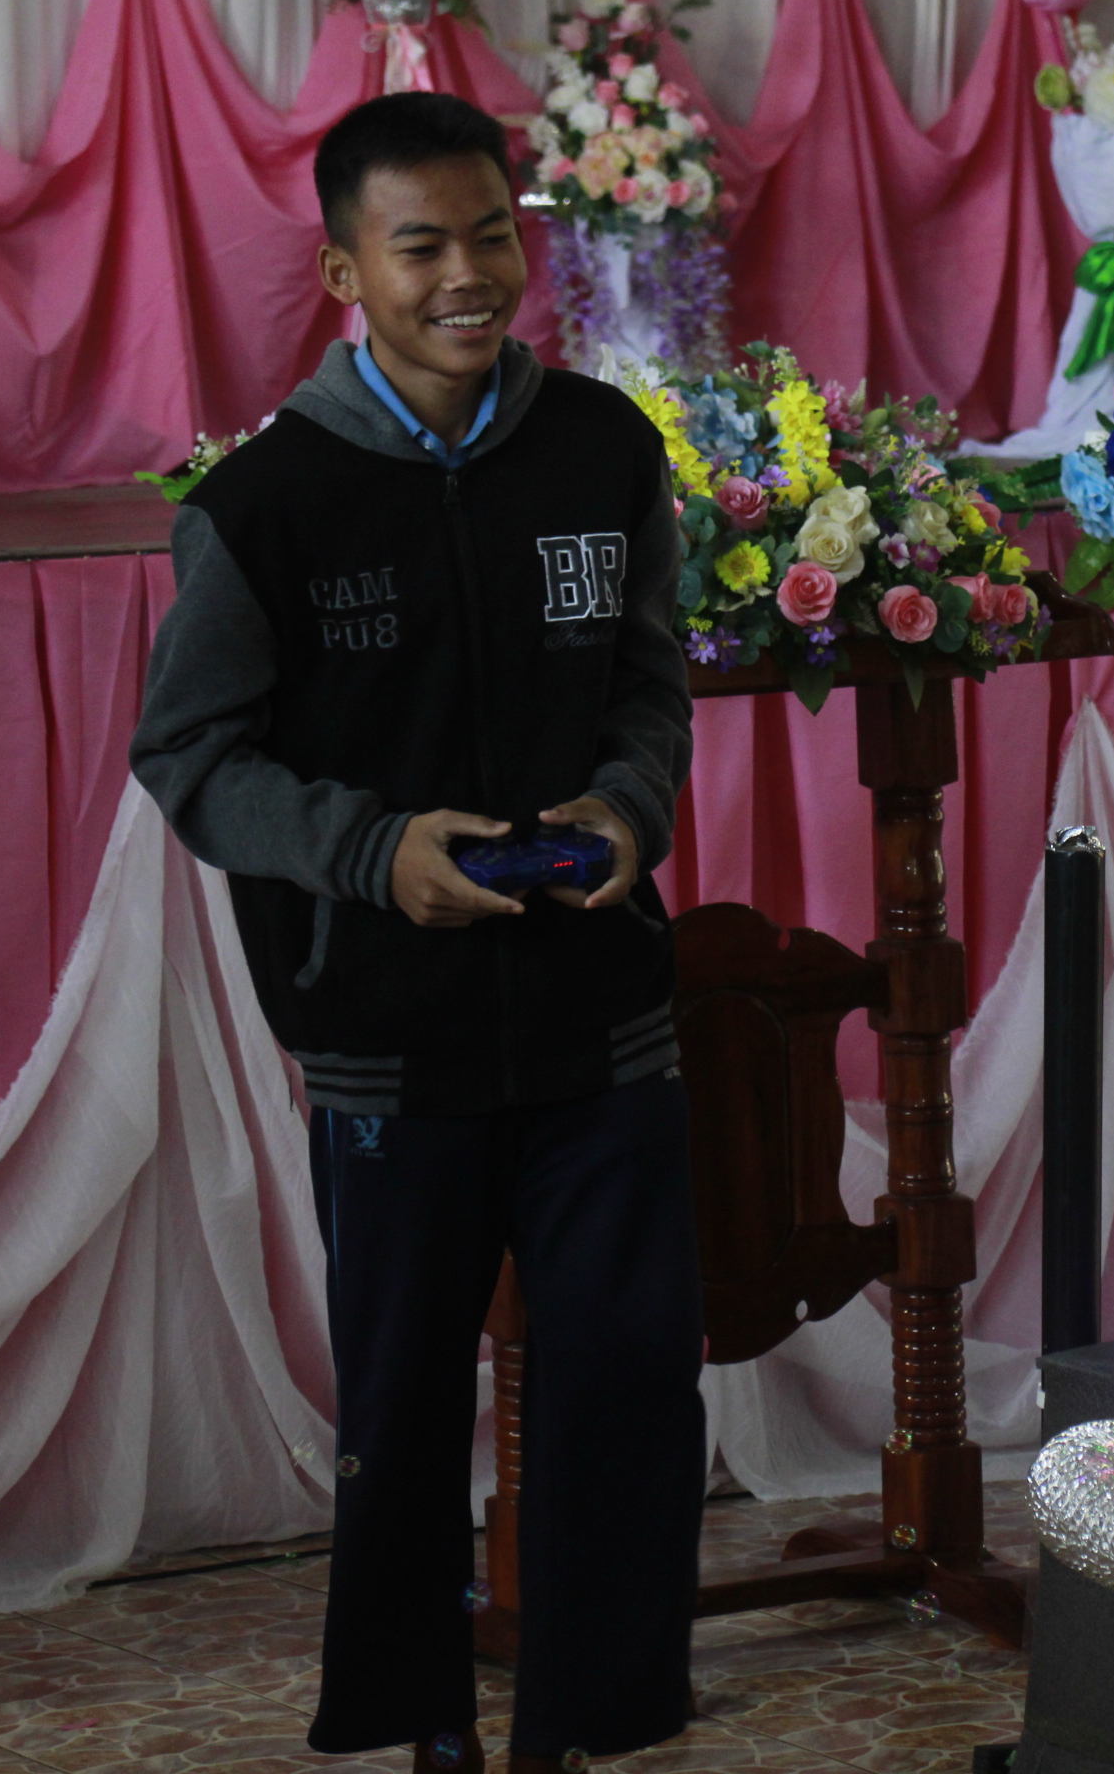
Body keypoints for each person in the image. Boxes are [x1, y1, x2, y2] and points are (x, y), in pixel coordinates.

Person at [130, 91, 699, 1774]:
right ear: (344, 273)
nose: (468, 277)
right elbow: (192, 759)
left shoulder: (604, 449)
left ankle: (587, 1730)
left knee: (626, 1393)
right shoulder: (264, 506)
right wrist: (379, 856)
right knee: (402, 1409)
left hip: (603, 1021)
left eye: (492, 237)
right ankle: (424, 1723)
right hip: (387, 1039)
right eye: (421, 246)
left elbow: (651, 688)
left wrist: (627, 814)